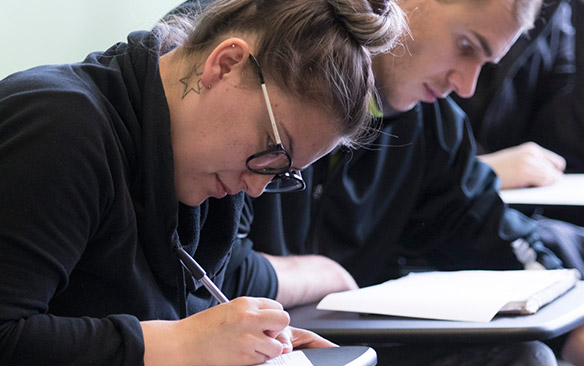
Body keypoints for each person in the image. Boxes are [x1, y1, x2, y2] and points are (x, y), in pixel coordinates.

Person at [0, 0, 407, 364]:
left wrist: (249, 345)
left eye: (282, 172)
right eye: (272, 148)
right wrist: (180, 343)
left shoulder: (200, 169)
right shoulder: (59, 128)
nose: (256, 188)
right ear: (226, 64)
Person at [218, 0, 584, 364]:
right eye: (466, 47)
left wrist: (567, 321)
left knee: (526, 356)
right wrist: (322, 274)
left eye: (485, 65)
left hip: (345, 345)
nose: (466, 86)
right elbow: (210, 268)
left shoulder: (429, 124)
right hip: (240, 343)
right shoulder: (259, 60)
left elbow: (490, 233)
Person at [455, 0, 584, 191]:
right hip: (440, 197)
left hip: (507, 202)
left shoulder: (554, 13)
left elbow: (561, 146)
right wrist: (480, 171)